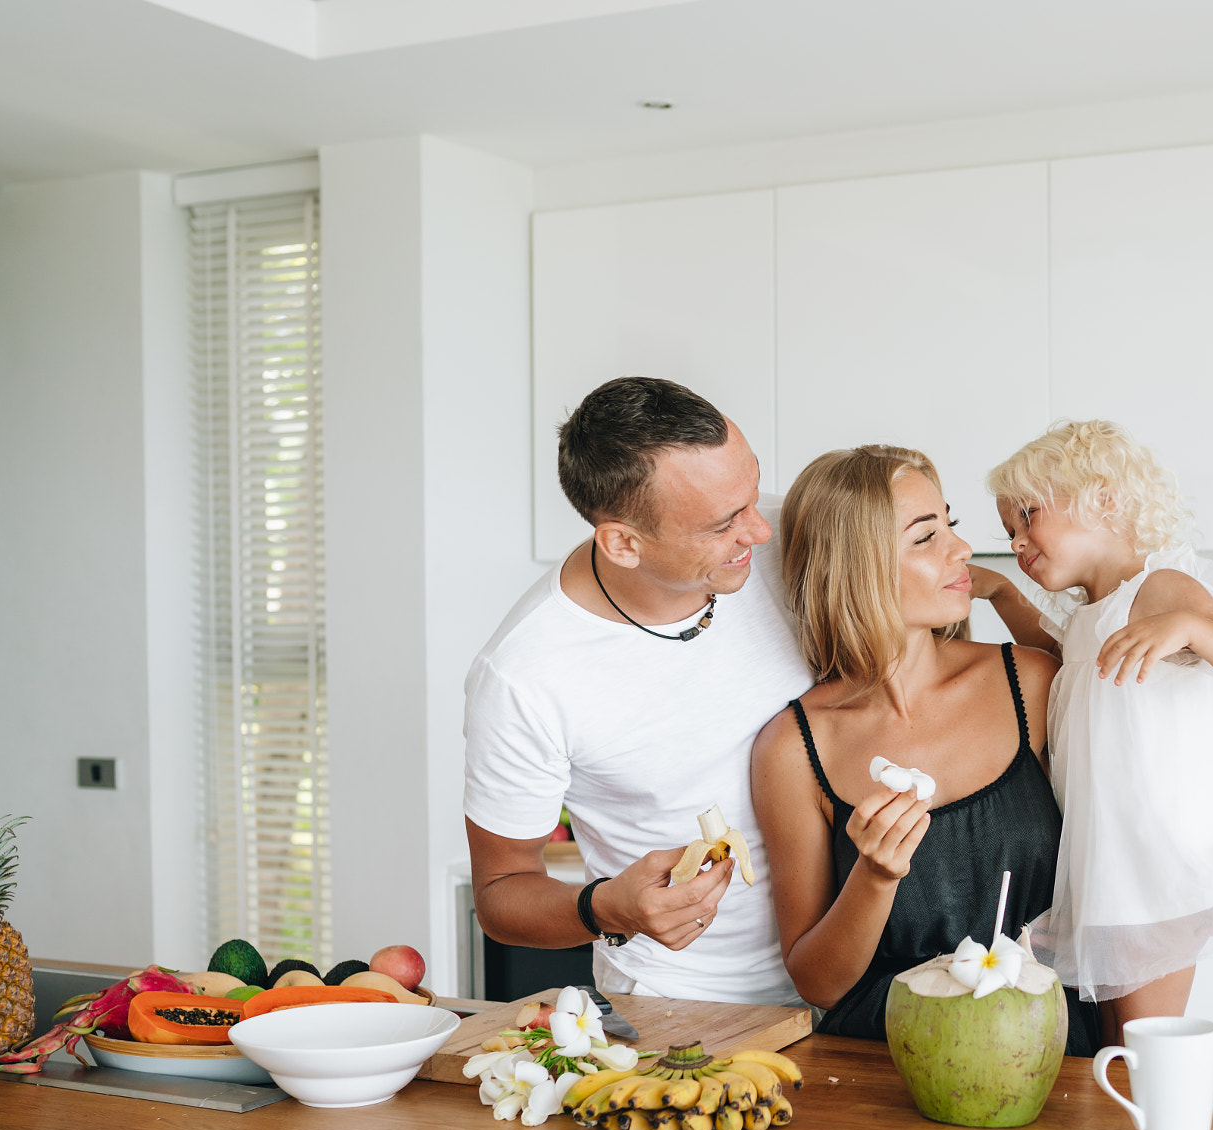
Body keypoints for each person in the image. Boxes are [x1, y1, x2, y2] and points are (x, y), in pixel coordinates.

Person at [973, 419, 1213, 1043]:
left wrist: (1191, 630)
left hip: (1156, 863)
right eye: (1009, 531)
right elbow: (1064, 657)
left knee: (1145, 1049)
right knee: (1119, 1047)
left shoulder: (1162, 588)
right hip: (1108, 860)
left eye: (1030, 515)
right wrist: (1003, 593)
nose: (1019, 540)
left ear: (1104, 499)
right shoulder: (1094, 616)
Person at [463, 377, 811, 1004]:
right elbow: (500, 894)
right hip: (680, 999)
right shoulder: (523, 677)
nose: (760, 532)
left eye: (754, 494)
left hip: (857, 971)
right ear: (622, 542)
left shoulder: (796, 535)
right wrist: (607, 908)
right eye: (723, 523)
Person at [751, 444, 1101, 1054]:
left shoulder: (1034, 683)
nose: (961, 550)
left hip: (1048, 1054)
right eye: (924, 537)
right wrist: (875, 877)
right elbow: (820, 984)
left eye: (951, 526)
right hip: (880, 1067)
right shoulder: (792, 748)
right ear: (852, 567)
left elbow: (1130, 840)